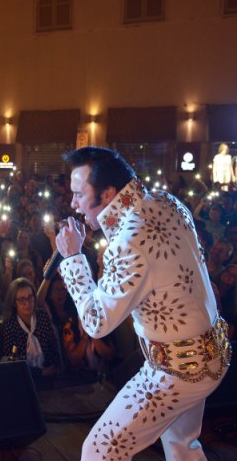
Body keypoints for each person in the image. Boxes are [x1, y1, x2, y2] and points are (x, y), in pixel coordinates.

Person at [55, 147, 231, 460]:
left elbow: (96, 322)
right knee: (181, 446)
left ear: (108, 193)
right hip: (210, 356)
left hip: (174, 369)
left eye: (79, 194)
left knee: (98, 451)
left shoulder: (129, 239)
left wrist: (72, 259)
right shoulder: (165, 200)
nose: (73, 204)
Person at [1, 277, 60, 379]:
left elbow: (53, 345)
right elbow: (12, 361)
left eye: (30, 297)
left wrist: (53, 368)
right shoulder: (10, 325)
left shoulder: (42, 316)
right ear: (14, 302)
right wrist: (39, 373)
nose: (27, 303)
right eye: (22, 300)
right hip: (23, 378)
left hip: (49, 374)